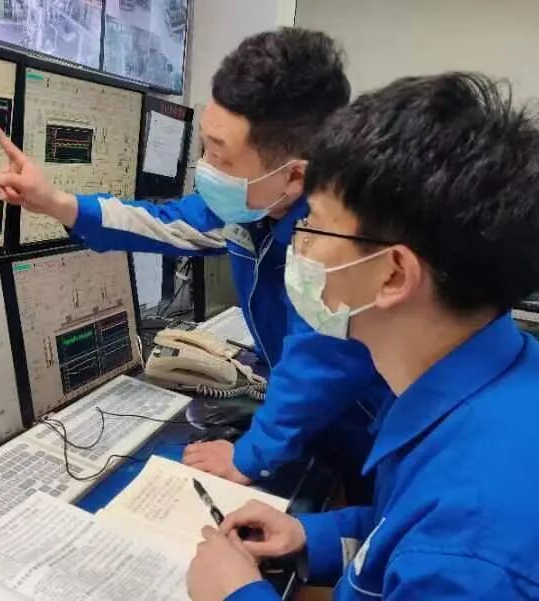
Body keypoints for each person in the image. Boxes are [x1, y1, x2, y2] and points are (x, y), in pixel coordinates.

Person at [186, 72, 539, 600]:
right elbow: (399, 528)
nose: (298, 245)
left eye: (314, 224)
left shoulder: (472, 554)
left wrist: (235, 594)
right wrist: (311, 535)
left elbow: (434, 551)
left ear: (393, 274)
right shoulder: (485, 387)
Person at [0, 29, 388, 491]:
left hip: (369, 442)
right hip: (315, 431)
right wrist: (57, 202)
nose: (206, 168)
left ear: (295, 175)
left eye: (220, 155)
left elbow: (320, 366)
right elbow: (165, 223)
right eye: (204, 146)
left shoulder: (337, 240)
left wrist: (248, 457)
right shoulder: (255, 208)